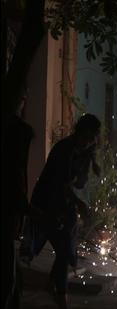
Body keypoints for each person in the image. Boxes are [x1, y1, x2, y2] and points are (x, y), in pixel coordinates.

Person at [26, 114, 101, 309]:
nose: (91, 141)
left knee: (67, 247)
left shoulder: (84, 149)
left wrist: (94, 164)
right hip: (48, 201)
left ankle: (54, 284)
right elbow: (61, 185)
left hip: (64, 203)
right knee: (62, 246)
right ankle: (61, 293)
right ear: (80, 132)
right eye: (88, 136)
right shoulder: (63, 150)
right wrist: (80, 204)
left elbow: (79, 178)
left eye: (93, 138)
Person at [1, 90, 34, 309]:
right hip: (9, 207)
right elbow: (16, 174)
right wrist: (24, 205)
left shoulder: (19, 131)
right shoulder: (17, 133)